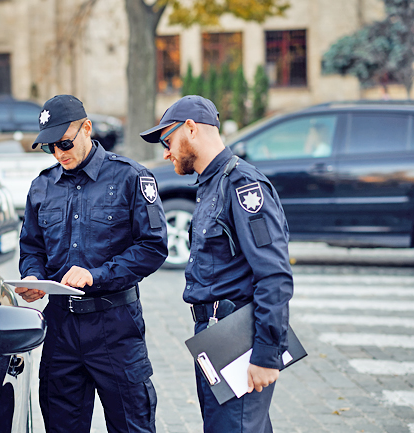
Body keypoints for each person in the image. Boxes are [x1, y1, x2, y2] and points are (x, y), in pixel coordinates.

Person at [140, 95, 293, 433]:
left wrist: (267, 354)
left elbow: (274, 275)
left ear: (191, 128)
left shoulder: (242, 185)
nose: (166, 152)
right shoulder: (213, 184)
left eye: (168, 141)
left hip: (238, 336)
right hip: (214, 336)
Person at [16, 94, 168, 433]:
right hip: (60, 329)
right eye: (49, 147)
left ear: (87, 128)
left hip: (115, 327)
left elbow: (152, 247)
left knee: (132, 426)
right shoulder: (42, 187)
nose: (59, 153)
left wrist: (96, 276)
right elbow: (32, 248)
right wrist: (33, 277)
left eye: (65, 142)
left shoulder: (130, 178)